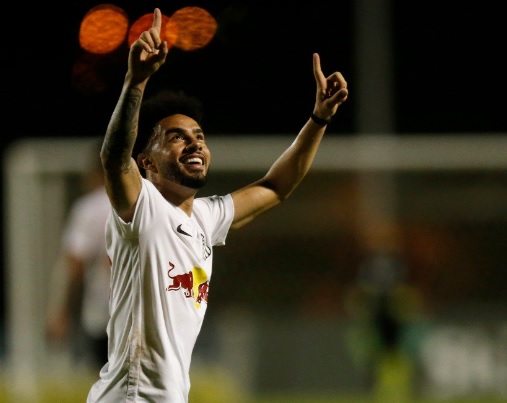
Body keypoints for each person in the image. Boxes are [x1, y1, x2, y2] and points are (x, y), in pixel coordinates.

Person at [87, 7, 348, 402]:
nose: (195, 144)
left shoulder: (205, 218)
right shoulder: (142, 209)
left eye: (199, 136)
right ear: (148, 163)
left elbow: (276, 187)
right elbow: (113, 158)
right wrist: (135, 82)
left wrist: (318, 118)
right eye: (176, 137)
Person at [46, 141, 111, 371]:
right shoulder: (151, 203)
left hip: (105, 314)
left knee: (110, 390)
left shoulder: (89, 209)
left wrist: (60, 312)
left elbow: (74, 264)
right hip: (147, 315)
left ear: (96, 170)